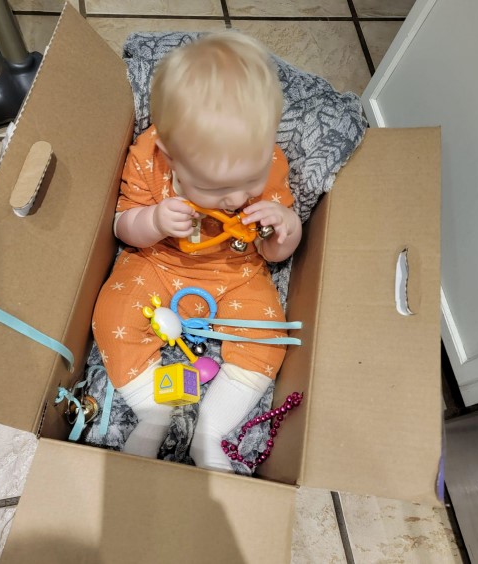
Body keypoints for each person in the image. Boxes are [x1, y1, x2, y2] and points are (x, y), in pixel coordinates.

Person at [92, 32, 302, 472]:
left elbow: (272, 254)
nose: (236, 198)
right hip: (157, 262)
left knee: (269, 339)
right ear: (170, 156)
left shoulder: (271, 164)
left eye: (251, 178)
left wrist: (285, 230)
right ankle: (154, 411)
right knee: (110, 316)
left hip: (237, 271)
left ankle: (212, 429)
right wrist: (151, 222)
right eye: (216, 187)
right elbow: (121, 226)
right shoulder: (149, 157)